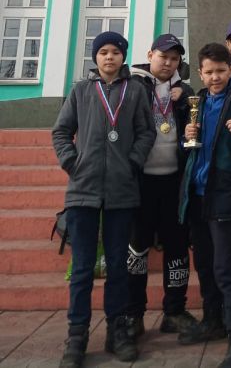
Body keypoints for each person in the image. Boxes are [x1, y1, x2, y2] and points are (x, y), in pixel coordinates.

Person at [52, 31, 156, 368]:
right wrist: (73, 163)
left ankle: (117, 330)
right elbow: (61, 131)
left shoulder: (135, 91)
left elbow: (147, 132)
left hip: (121, 192)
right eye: (103, 52)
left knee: (117, 266)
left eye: (115, 52)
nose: (109, 57)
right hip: (82, 192)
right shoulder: (81, 90)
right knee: (82, 268)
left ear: (123, 56)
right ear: (95, 57)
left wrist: (133, 162)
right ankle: (77, 335)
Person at [126, 33, 213, 344]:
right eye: (163, 56)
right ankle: (133, 314)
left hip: (175, 182)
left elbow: (194, 130)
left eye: (174, 59)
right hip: (141, 182)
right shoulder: (132, 86)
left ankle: (174, 310)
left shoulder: (185, 92)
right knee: (137, 248)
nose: (168, 63)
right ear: (150, 54)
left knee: (177, 247)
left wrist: (187, 109)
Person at [179, 42, 231, 368]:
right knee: (205, 264)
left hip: (225, 192)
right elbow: (189, 147)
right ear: (200, 72)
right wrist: (186, 134)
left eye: (221, 71)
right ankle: (214, 319)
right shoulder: (196, 102)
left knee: (227, 268)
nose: (215, 77)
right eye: (209, 72)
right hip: (197, 193)